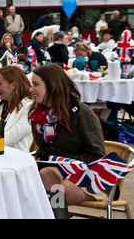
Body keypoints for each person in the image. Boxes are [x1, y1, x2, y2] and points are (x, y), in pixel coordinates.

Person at [28, 64, 106, 218]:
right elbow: (45, 152)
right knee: (40, 180)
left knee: (45, 188)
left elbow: (97, 156)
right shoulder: (38, 115)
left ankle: (56, 214)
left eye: (36, 84)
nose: (31, 89)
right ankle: (58, 214)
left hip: (91, 177)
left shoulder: (81, 113)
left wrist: (61, 164)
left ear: (52, 86)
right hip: (56, 176)